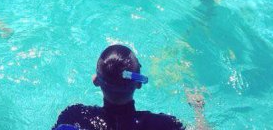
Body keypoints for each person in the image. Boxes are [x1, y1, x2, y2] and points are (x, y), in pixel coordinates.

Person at [52, 44, 186, 130]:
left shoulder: (74, 116)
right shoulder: (164, 125)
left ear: (95, 81)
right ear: (139, 83)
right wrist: (198, 108)